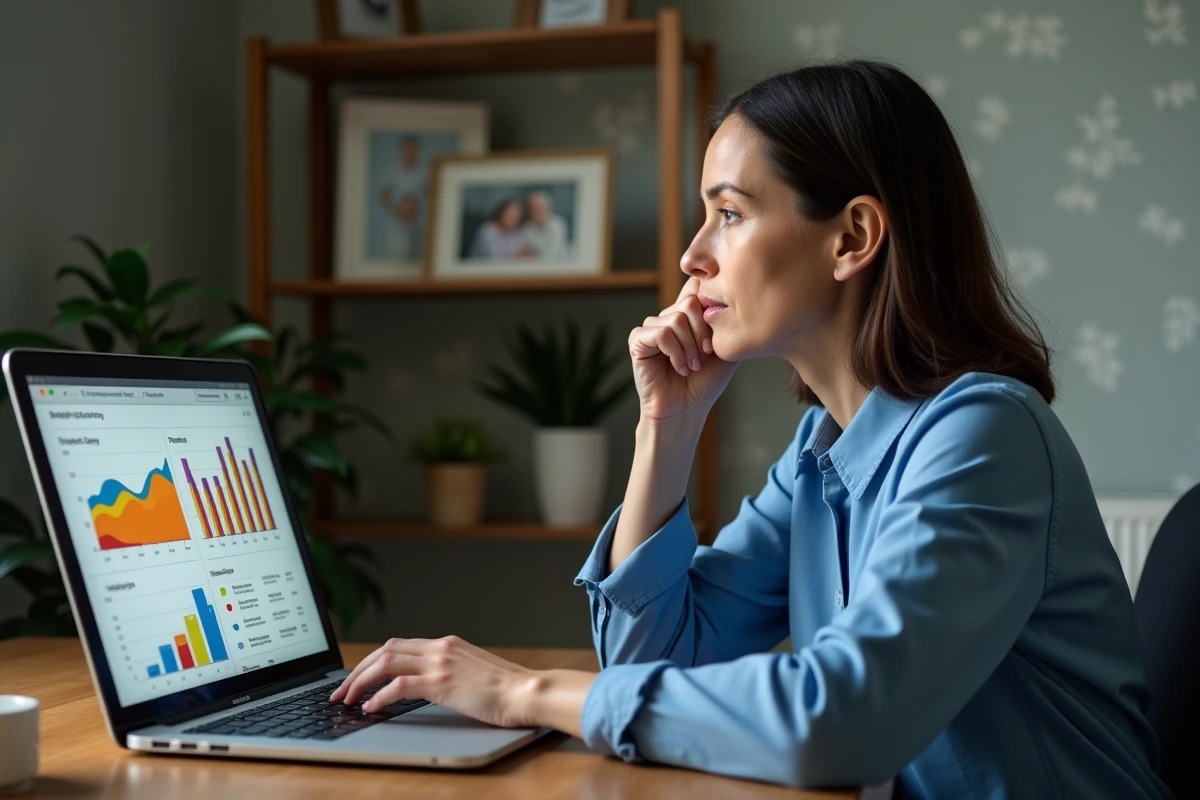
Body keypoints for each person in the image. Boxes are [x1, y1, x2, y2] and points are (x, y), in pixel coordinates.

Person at [331, 60, 1172, 798]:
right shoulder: (819, 460)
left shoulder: (984, 436)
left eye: (729, 213)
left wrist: (524, 693)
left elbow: (843, 721)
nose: (695, 255)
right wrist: (666, 427)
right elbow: (655, 663)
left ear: (853, 237)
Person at [377, 136, 426, 260]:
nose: (411, 153)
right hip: (398, 226)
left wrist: (414, 210)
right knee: (397, 259)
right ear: (402, 151)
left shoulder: (424, 173)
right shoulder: (392, 172)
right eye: (408, 149)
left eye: (414, 150)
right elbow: (383, 198)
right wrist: (400, 210)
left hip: (419, 225)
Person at [520, 190, 570, 260]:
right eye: (532, 208)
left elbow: (552, 256)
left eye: (539, 207)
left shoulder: (558, 224)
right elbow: (525, 254)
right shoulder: (527, 228)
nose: (536, 211)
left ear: (547, 207)